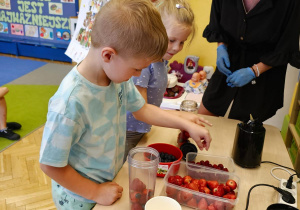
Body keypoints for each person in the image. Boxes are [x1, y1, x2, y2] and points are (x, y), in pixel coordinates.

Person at [39, 0, 212, 209]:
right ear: (108, 55)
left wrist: (185, 124)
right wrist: (94, 191)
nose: (138, 75)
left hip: (109, 182)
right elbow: (50, 164)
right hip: (80, 198)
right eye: (136, 69)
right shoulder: (70, 103)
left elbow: (143, 109)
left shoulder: (116, 80)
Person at [125, 0, 211, 162]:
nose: (177, 48)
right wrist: (182, 122)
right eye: (171, 40)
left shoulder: (161, 60)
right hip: (127, 133)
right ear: (153, 31)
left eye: (182, 42)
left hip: (141, 130)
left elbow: (150, 109)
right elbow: (141, 110)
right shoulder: (144, 64)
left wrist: (183, 118)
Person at [198, 0, 300, 122]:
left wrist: (255, 70)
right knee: (203, 118)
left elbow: (286, 46)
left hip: (265, 74)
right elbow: (218, 23)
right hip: (229, 65)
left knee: (244, 131)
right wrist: (221, 46)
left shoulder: (290, 3)